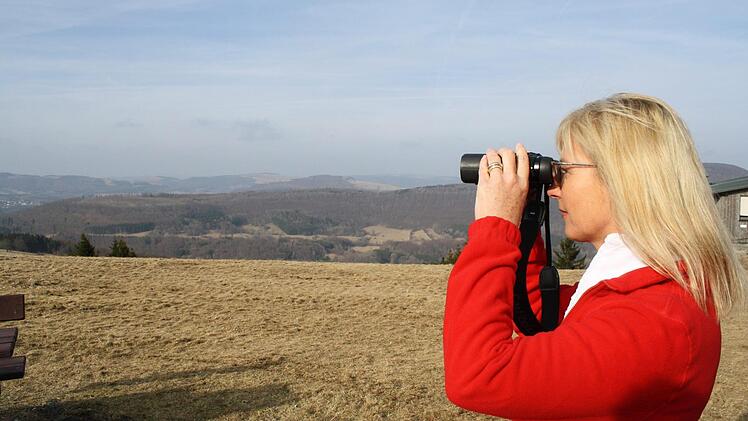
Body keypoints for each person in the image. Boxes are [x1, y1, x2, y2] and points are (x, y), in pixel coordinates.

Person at [442, 93, 746, 420]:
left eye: (565, 169)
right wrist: (524, 218)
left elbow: (477, 375)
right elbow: (537, 311)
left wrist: (495, 227)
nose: (554, 187)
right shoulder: (644, 291)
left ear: (622, 179)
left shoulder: (656, 324)